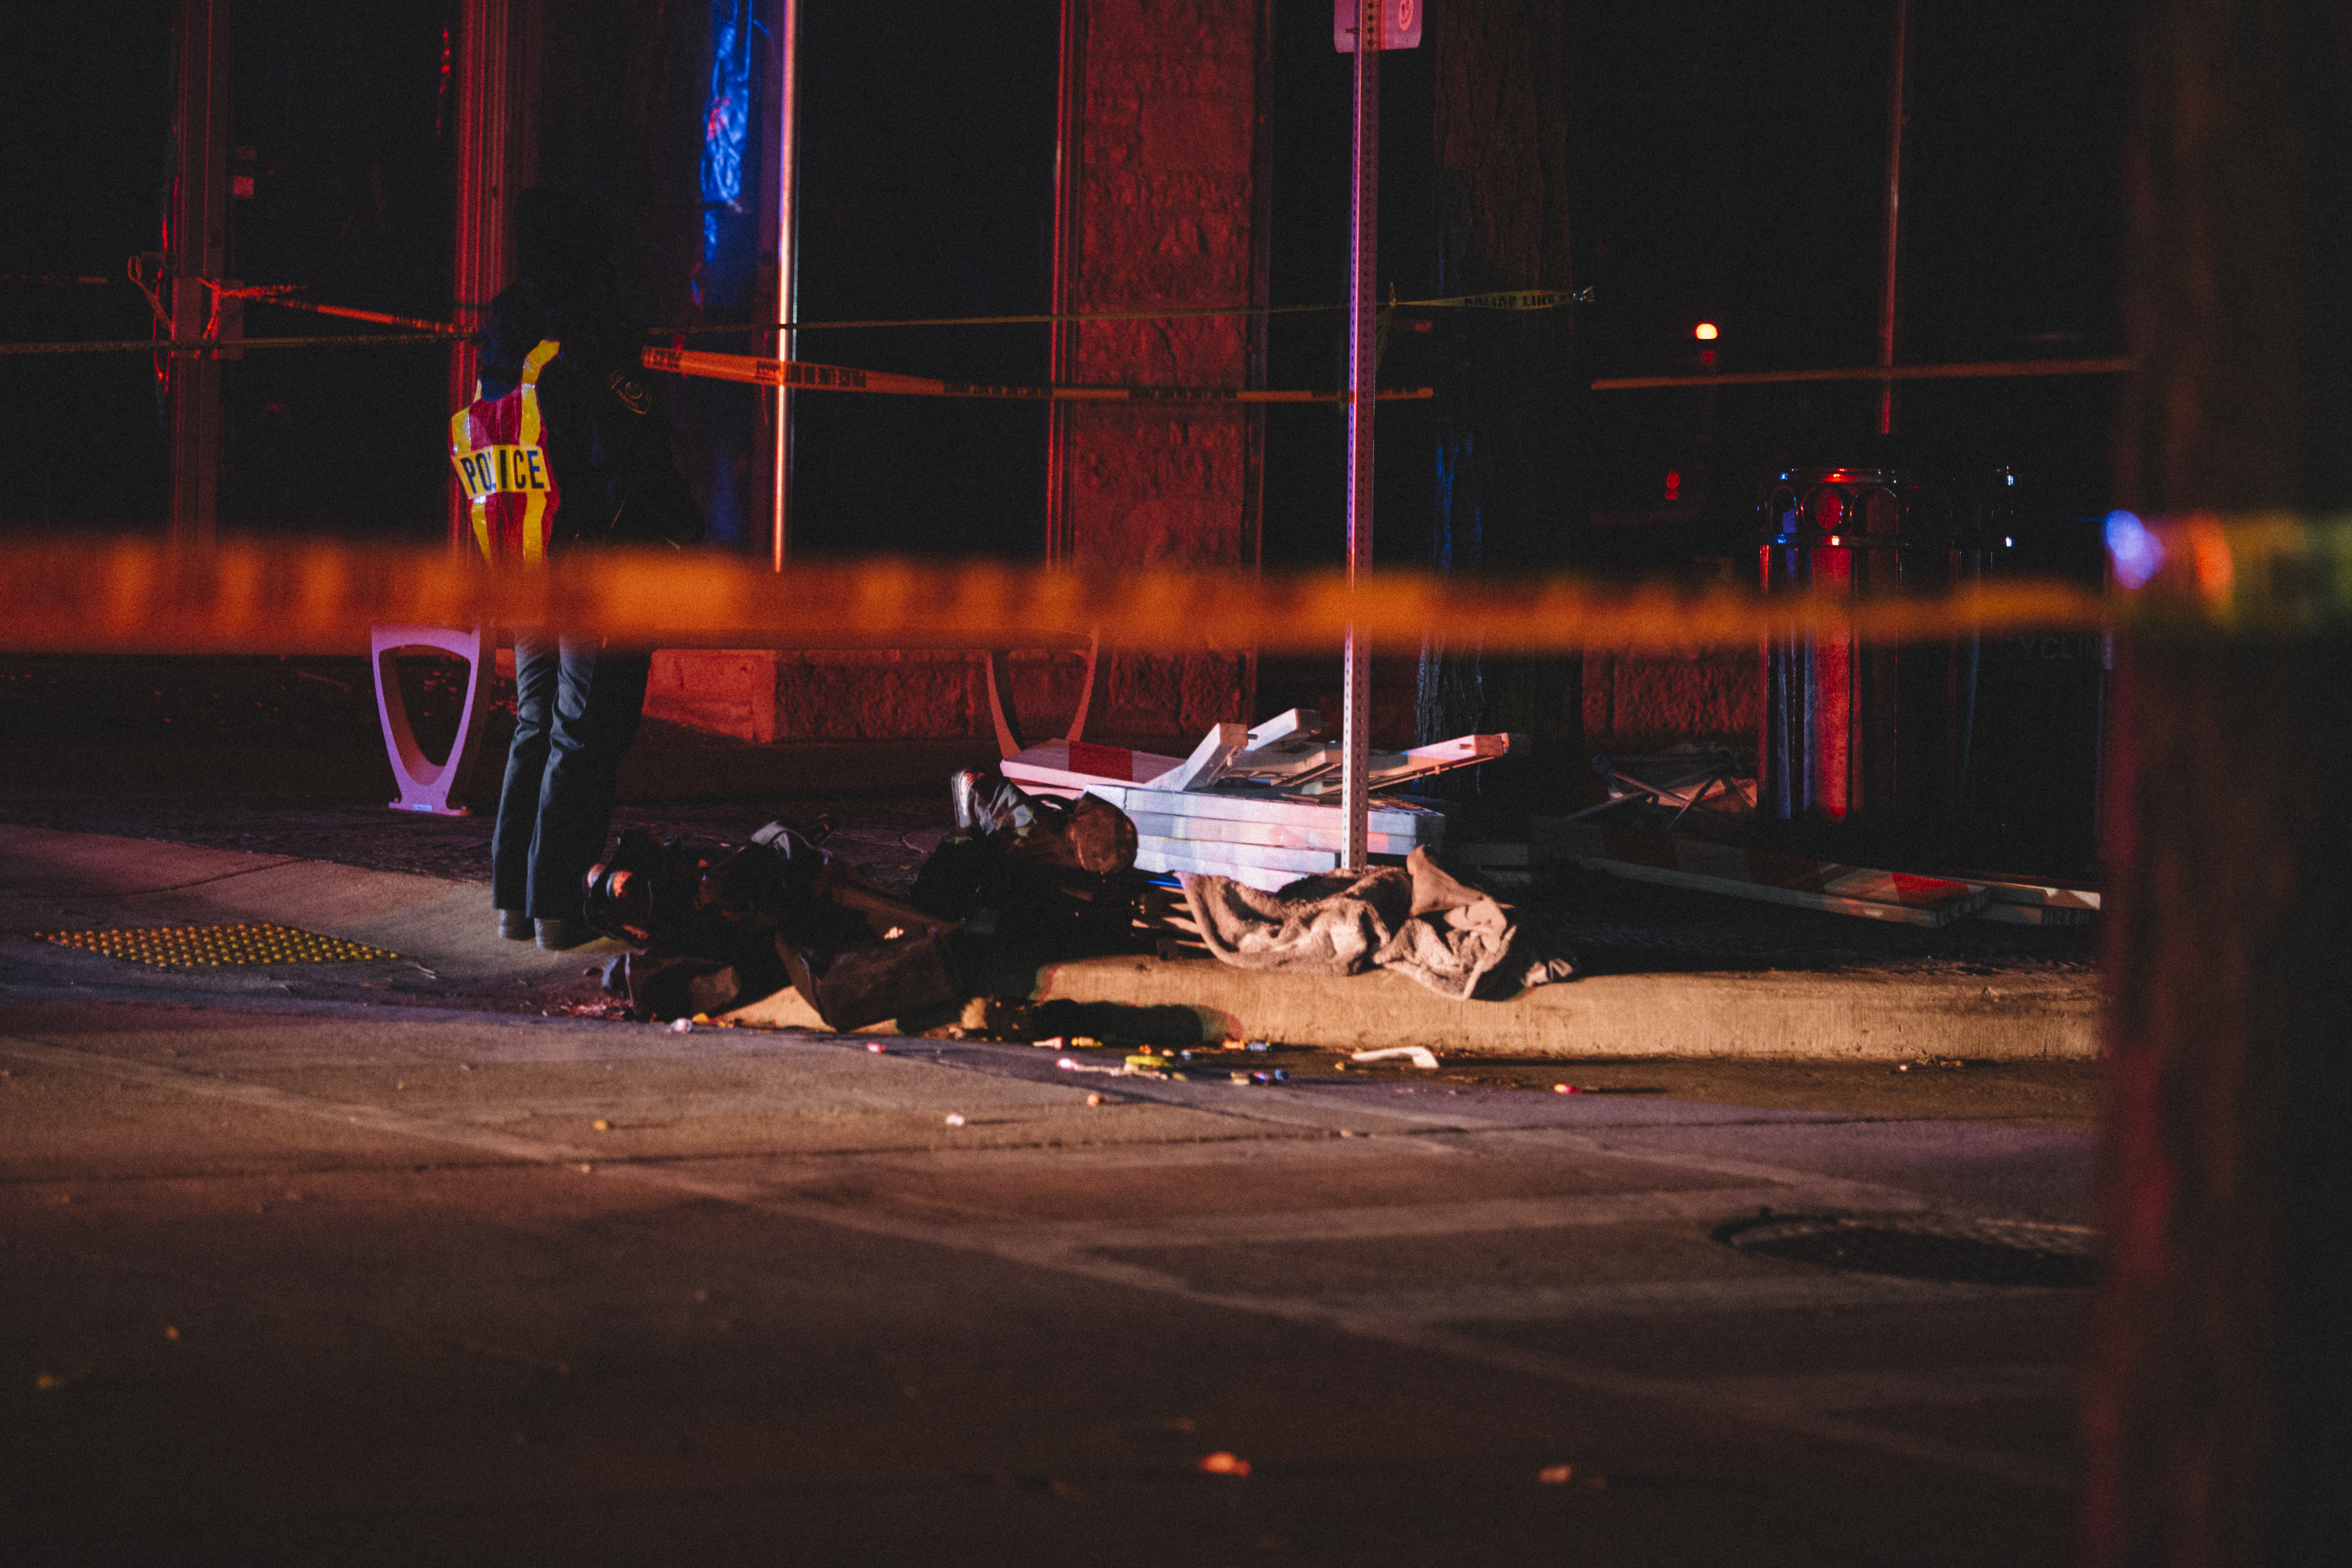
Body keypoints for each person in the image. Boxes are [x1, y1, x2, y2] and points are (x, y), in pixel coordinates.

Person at [450, 188, 704, 949]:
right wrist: (681, 541)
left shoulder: (508, 347)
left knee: (537, 728)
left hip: (524, 565)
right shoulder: (587, 349)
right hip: (593, 570)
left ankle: (516, 901)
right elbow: (637, 457)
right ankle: (560, 906)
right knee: (584, 737)